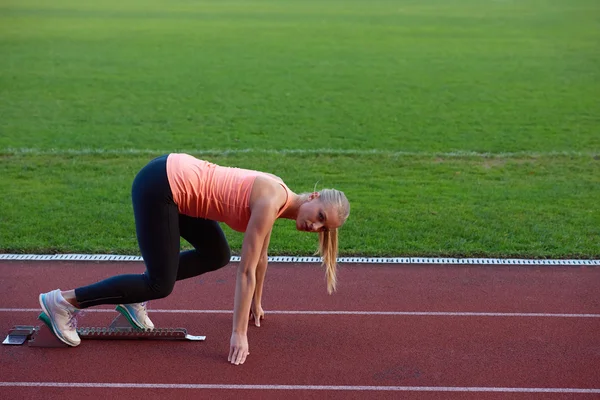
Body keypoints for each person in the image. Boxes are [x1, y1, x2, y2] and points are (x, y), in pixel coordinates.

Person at [38, 153, 350, 365]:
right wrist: (238, 333)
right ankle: (64, 302)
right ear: (313, 197)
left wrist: (256, 302)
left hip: (177, 186)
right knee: (159, 284)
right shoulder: (271, 201)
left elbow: (261, 258)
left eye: (324, 227)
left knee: (217, 254)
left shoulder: (279, 198)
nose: (315, 226)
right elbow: (245, 271)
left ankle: (133, 296)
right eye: (320, 216)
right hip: (161, 186)